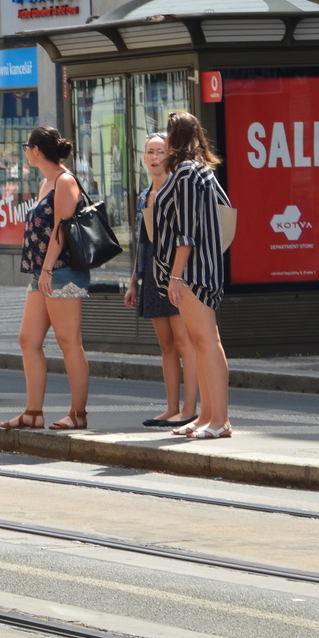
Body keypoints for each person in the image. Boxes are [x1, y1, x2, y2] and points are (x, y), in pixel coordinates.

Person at [1, 126, 90, 431]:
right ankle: (33, 412)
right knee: (28, 339)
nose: (26, 152)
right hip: (43, 271)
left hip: (60, 271)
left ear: (37, 150)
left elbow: (61, 230)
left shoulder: (65, 181)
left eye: (27, 146)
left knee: (69, 342)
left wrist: (49, 269)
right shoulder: (46, 182)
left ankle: (78, 414)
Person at [152, 111, 233, 439]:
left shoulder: (185, 174)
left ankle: (219, 420)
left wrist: (176, 276)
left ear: (174, 139)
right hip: (207, 268)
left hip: (193, 273)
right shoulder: (203, 171)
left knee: (206, 343)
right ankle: (208, 418)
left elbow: (185, 231)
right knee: (204, 343)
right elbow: (225, 214)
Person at [127, 132, 198, 429]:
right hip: (151, 275)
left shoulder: (176, 189)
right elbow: (142, 242)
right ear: (143, 158)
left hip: (175, 274)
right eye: (150, 152)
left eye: (160, 151)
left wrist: (177, 277)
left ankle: (190, 408)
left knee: (184, 342)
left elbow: (186, 236)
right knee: (166, 344)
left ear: (170, 156)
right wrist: (133, 281)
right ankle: (171, 408)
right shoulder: (145, 195)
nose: (154, 157)